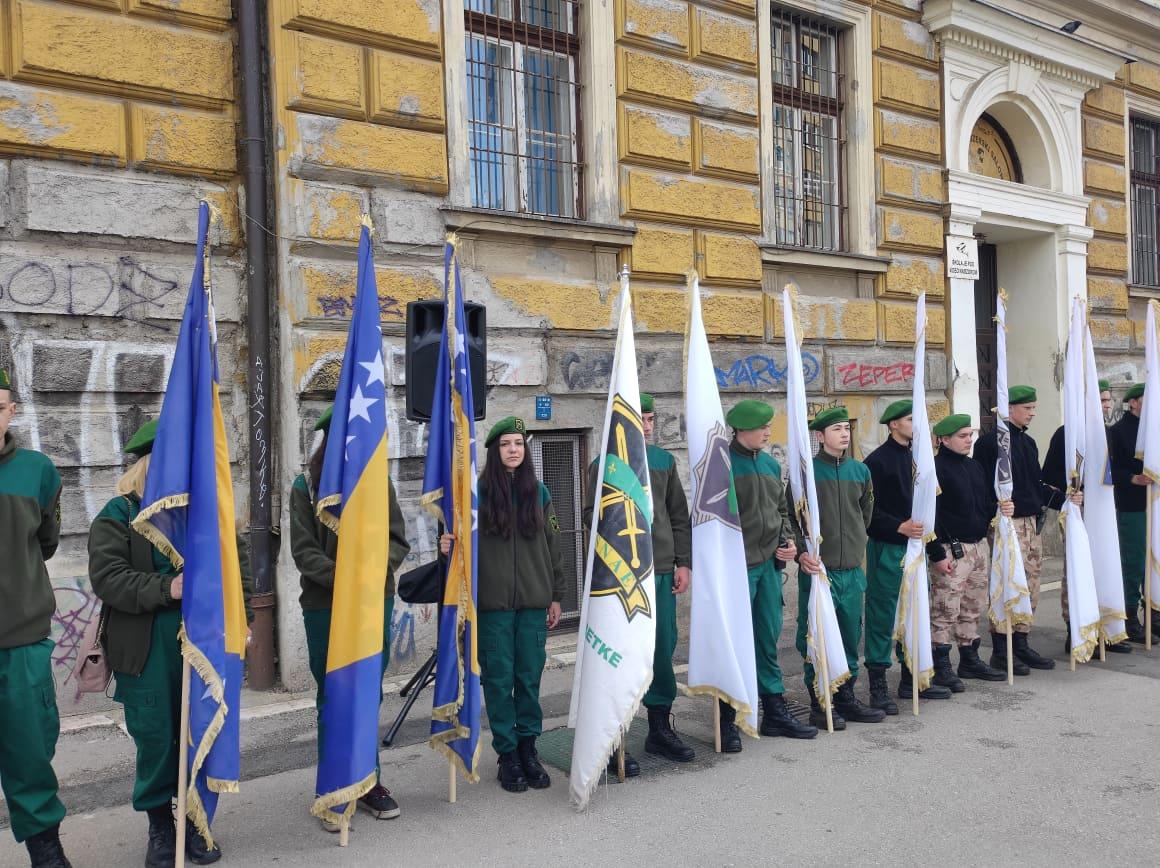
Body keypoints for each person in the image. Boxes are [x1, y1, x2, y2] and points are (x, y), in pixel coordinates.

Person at [88, 418, 253, 867]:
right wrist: (169, 590)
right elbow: (108, 579)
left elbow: (240, 571)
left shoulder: (205, 513)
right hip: (145, 654)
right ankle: (161, 826)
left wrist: (246, 620)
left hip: (203, 649)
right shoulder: (118, 515)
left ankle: (196, 823)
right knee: (159, 743)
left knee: (199, 735)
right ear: (147, 466)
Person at [290, 405, 410, 829]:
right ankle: (334, 787)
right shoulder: (305, 487)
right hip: (326, 606)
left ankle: (368, 780)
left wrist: (373, 573)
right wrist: (347, 578)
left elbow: (398, 540)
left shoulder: (378, 484)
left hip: (374, 602)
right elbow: (304, 552)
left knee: (366, 693)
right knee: (334, 695)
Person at [442, 417, 565, 794]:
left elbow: (554, 548)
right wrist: (446, 546)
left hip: (532, 603)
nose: (514, 449)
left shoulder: (539, 493)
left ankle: (529, 748)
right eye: (506, 444)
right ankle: (507, 754)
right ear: (495, 452)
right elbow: (460, 545)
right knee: (498, 681)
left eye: (519, 444)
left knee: (528, 678)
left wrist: (556, 594)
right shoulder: (475, 496)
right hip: (493, 607)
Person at [582, 394, 697, 765]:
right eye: (640, 420)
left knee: (661, 648)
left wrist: (683, 562)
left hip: (661, 570)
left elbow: (678, 515)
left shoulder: (663, 461)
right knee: (621, 650)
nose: (646, 426)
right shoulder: (604, 465)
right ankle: (615, 735)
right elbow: (589, 515)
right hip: (621, 576)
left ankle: (660, 728)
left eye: (650, 419)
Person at [0, 369, 72, 868]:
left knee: (29, 754)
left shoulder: (36, 470)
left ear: (11, 411)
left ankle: (45, 850)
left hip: (20, 639)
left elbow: (45, 543)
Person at [720, 399, 815, 750]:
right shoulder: (724, 466)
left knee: (767, 639)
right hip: (737, 570)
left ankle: (773, 710)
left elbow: (780, 511)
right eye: (762, 427)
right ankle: (726, 716)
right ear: (742, 429)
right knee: (733, 643)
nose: (767, 432)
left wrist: (787, 541)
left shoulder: (772, 465)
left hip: (768, 568)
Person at [793, 407, 884, 729]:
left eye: (847, 428)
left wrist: (856, 543)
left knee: (849, 633)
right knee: (816, 635)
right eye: (836, 429)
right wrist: (803, 553)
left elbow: (866, 513)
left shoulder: (859, 472)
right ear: (820, 436)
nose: (844, 434)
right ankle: (821, 699)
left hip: (851, 570)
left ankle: (845, 694)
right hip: (821, 570)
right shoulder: (806, 473)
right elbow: (794, 520)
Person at [863, 399, 951, 712]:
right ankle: (877, 685)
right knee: (883, 613)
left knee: (915, 610)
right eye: (911, 419)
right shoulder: (877, 462)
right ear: (894, 425)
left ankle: (911, 677)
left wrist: (936, 549)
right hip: (888, 547)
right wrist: (897, 526)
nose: (917, 425)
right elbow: (869, 512)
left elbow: (929, 510)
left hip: (916, 550)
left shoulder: (921, 459)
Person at [973, 386, 1055, 674]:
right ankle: (1001, 648)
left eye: (1033, 408)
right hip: (1005, 523)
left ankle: (1021, 641)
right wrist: (993, 510)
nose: (1032, 413)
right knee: (1006, 582)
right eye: (1027, 408)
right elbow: (982, 485)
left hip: (1030, 522)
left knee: (1030, 586)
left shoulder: (1028, 442)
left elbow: (1034, 482)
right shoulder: (990, 444)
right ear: (1010, 409)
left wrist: (1059, 498)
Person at [928, 415, 1008, 682]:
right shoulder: (936, 469)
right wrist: (937, 553)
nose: (968, 440)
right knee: (945, 609)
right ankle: (940, 666)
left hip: (977, 546)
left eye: (970, 435)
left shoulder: (974, 467)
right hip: (951, 548)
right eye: (962, 436)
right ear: (944, 439)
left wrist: (998, 508)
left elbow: (983, 503)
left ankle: (969, 659)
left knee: (972, 606)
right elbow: (932, 515)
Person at [1041, 417, 1131, 655]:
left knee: (1105, 566)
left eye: (1107, 400)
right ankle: (1076, 630)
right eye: (1100, 400)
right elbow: (1048, 475)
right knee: (1077, 568)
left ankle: (1106, 628)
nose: (1105, 405)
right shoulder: (1066, 434)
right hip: (1076, 511)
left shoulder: (1106, 434)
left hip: (1101, 512)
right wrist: (1071, 492)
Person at [1107, 383, 1158, 643]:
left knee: (1156, 563)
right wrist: (1132, 478)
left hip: (1156, 506)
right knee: (1134, 563)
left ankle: (1155, 615)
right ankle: (1130, 617)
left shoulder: (1155, 430)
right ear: (1133, 403)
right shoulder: (1118, 432)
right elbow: (1108, 472)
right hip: (1132, 505)